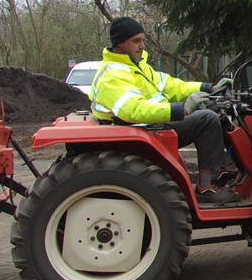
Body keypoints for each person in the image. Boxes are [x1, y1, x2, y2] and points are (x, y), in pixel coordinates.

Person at [89, 17, 238, 205]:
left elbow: (171, 85)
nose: (142, 46)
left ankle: (225, 168)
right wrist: (181, 109)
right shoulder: (112, 74)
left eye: (143, 40)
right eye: (136, 41)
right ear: (120, 43)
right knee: (207, 119)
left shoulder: (137, 65)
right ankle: (206, 187)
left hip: (149, 123)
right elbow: (133, 110)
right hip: (142, 128)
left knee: (214, 107)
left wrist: (209, 87)